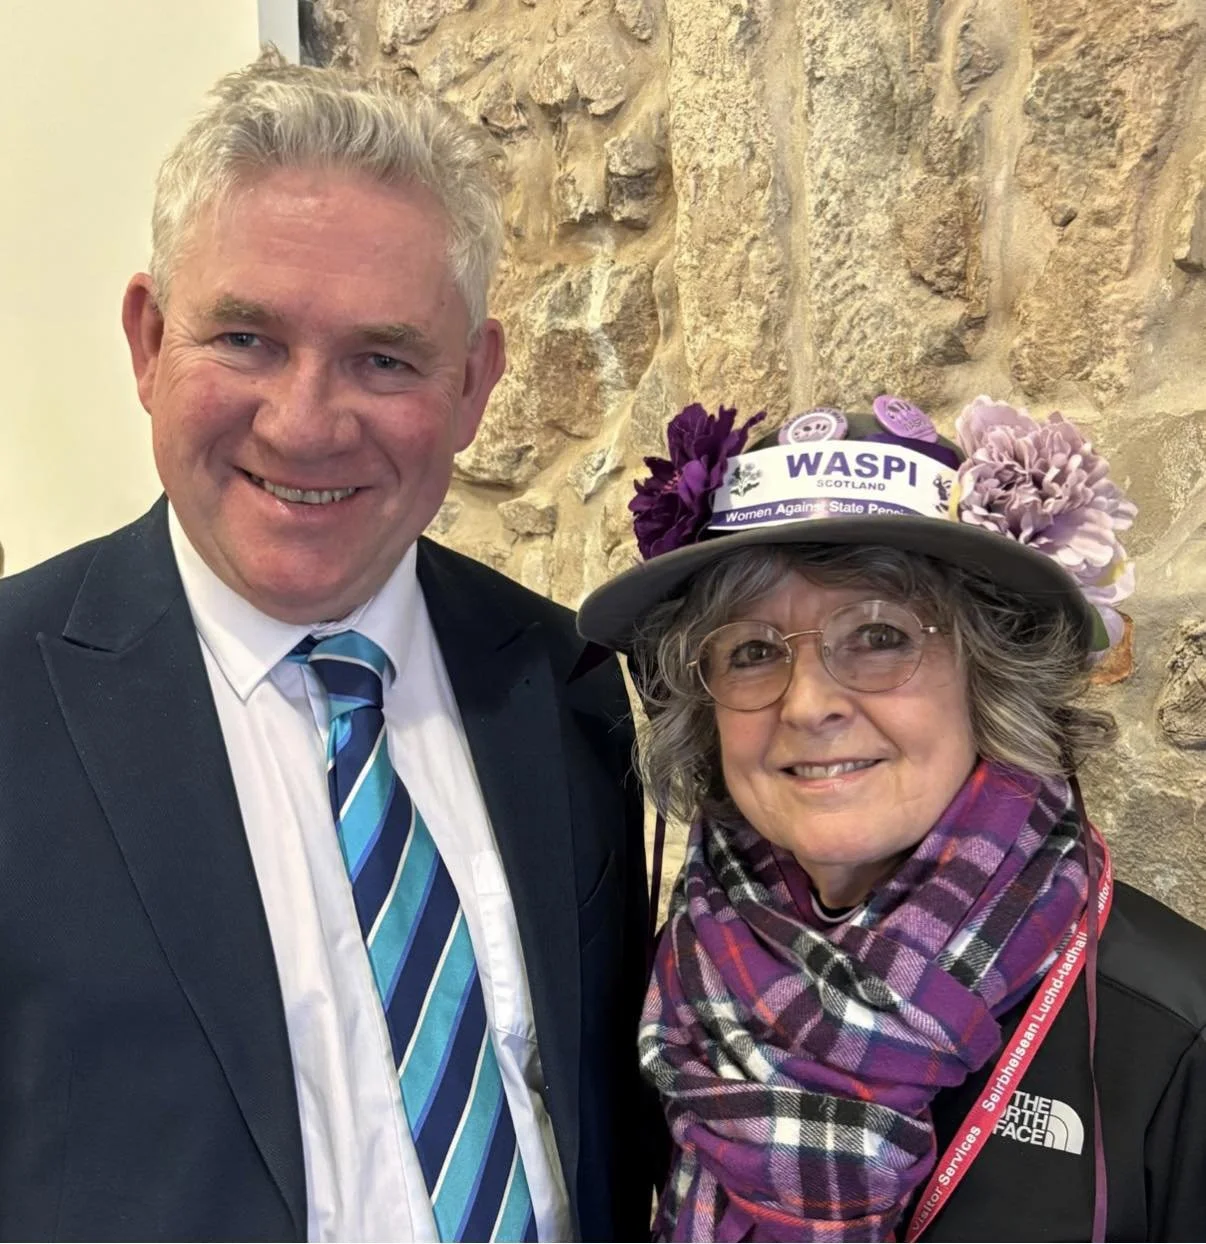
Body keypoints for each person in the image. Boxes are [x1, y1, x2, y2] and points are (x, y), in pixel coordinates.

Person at [0, 52, 656, 1242]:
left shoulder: (563, 683)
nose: (304, 422)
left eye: (384, 358)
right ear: (149, 342)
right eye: (245, 338)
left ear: (471, 385)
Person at [577, 397, 1206, 1241]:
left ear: (991, 675)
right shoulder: (673, 996)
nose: (807, 705)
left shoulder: (1175, 1035)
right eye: (753, 651)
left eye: (878, 635)